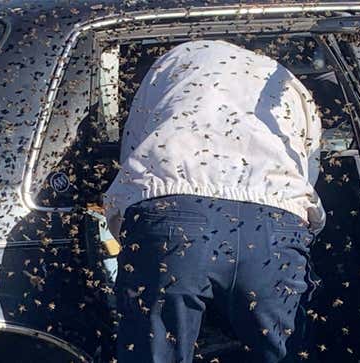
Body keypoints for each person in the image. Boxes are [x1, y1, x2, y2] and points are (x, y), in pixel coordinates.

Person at [102, 39, 324, 363]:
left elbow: (135, 150)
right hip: (275, 223)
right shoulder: (284, 81)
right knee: (281, 353)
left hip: (173, 217)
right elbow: (307, 163)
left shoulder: (172, 63)